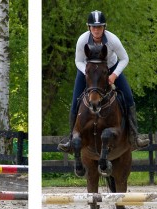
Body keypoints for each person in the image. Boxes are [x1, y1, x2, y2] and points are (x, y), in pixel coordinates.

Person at [58, 10, 150, 152]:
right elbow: (78, 61)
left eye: (99, 27)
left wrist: (114, 75)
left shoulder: (113, 40)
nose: (96, 30)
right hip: (87, 69)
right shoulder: (82, 40)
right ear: (89, 27)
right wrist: (88, 74)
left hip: (110, 68)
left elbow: (125, 58)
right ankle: (70, 139)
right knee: (75, 99)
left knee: (128, 97)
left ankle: (134, 136)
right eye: (94, 27)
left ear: (104, 27)